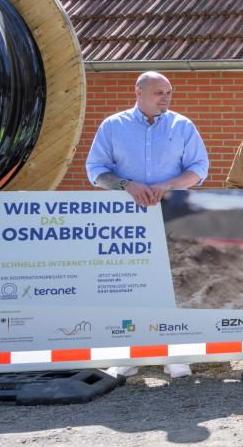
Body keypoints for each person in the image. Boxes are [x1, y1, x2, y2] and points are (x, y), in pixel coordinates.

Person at [86, 71, 209, 379]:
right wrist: (126, 184)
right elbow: (96, 170)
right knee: (130, 286)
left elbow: (199, 168)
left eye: (169, 92)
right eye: (159, 92)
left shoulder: (183, 126)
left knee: (174, 285)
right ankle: (129, 355)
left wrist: (169, 185)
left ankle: (175, 354)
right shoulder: (113, 126)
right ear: (138, 92)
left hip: (173, 216)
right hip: (127, 224)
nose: (166, 97)